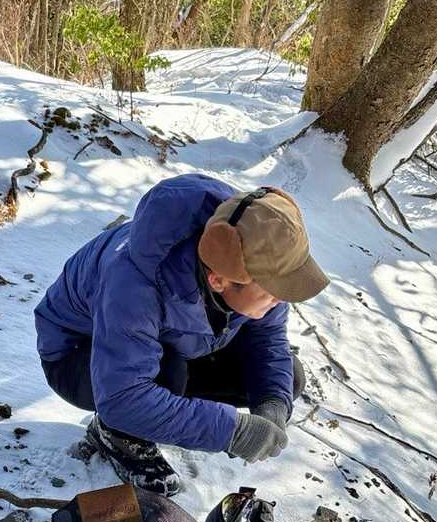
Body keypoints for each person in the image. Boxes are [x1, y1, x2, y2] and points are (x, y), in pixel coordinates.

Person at [34, 173, 329, 495]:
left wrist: (272, 403)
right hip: (79, 353)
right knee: (166, 373)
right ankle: (117, 436)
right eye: (273, 290)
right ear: (219, 280)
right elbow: (123, 397)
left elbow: (267, 341)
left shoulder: (253, 245)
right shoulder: (132, 286)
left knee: (287, 378)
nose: (281, 299)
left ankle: (162, 406)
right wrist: (231, 431)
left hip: (174, 341)